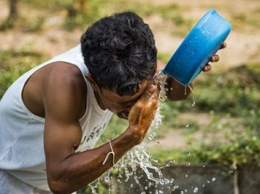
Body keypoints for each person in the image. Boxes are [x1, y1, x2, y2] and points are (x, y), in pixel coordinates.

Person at [0, 12, 225, 194]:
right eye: (124, 103)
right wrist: (132, 136)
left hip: (48, 178)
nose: (135, 106)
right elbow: (59, 181)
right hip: (10, 178)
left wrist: (191, 68)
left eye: (142, 93)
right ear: (93, 83)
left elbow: (176, 91)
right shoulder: (64, 84)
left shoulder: (135, 62)